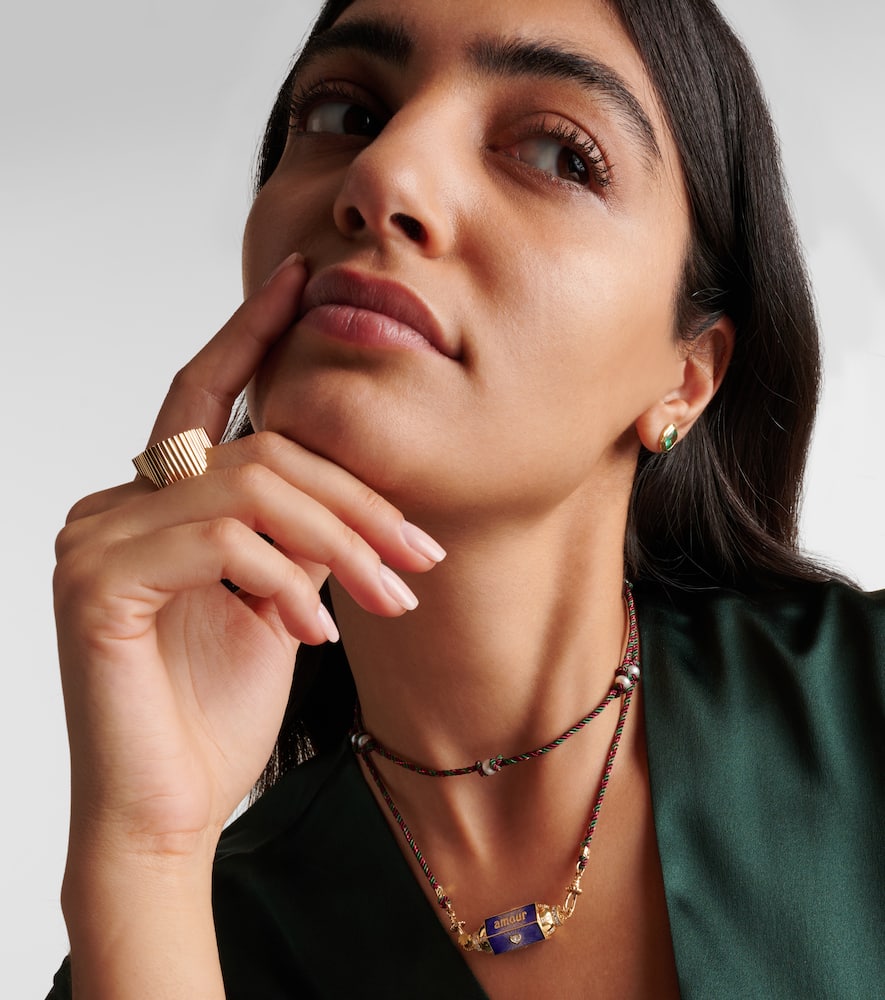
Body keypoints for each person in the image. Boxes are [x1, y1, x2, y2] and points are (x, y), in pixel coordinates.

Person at [47, 0, 883, 997]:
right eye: (348, 114)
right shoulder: (161, 936)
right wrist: (146, 850)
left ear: (686, 377)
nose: (383, 174)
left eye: (560, 154)